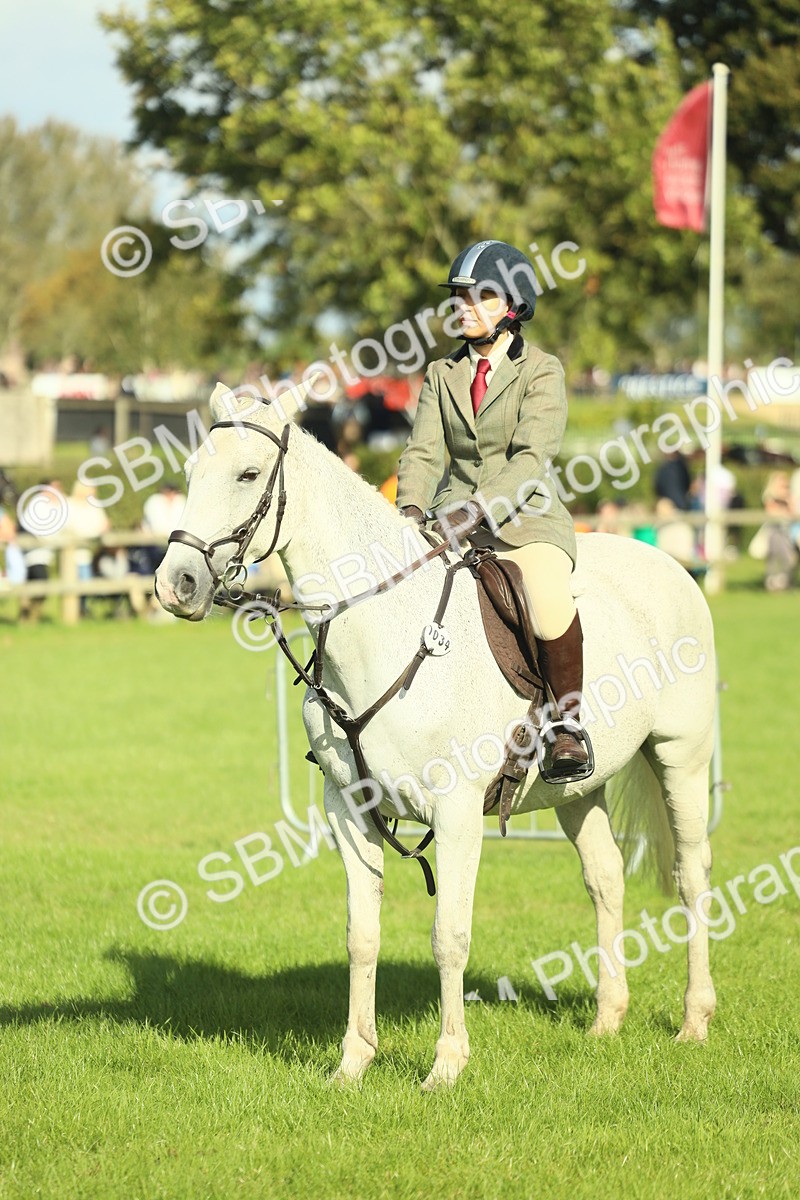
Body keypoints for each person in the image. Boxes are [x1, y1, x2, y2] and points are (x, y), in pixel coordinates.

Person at [395, 239, 590, 778]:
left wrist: (480, 509)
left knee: (548, 596)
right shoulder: (441, 374)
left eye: (478, 296)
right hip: (449, 521)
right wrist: (409, 509)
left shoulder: (542, 371)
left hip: (526, 519)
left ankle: (566, 725)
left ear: (513, 305)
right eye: (459, 297)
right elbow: (423, 452)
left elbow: (532, 456)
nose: (464, 307)